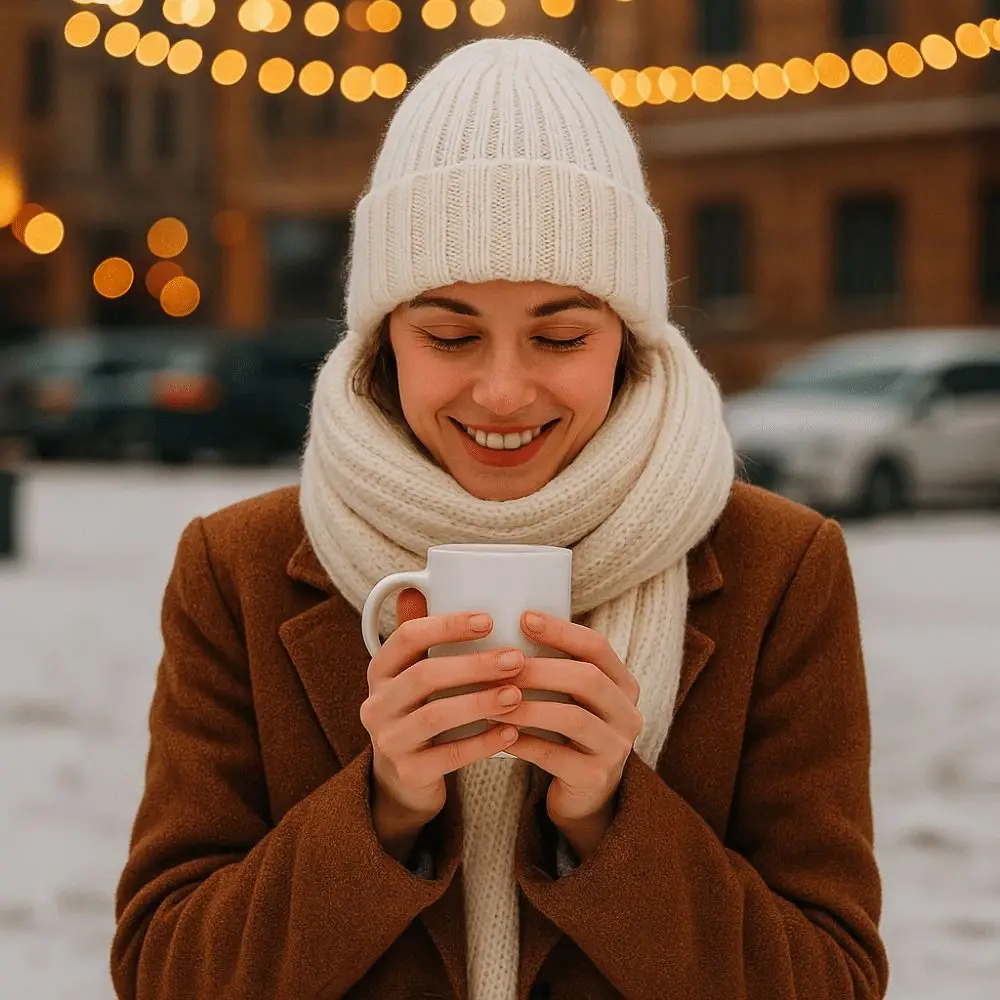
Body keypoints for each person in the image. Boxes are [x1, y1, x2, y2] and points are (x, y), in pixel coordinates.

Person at [111, 37, 889, 1000]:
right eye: (449, 334)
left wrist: (613, 818)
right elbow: (164, 974)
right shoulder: (241, 566)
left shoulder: (780, 569)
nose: (505, 389)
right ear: (385, 338)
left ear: (628, 339)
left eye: (561, 334)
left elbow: (834, 982)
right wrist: (381, 807)